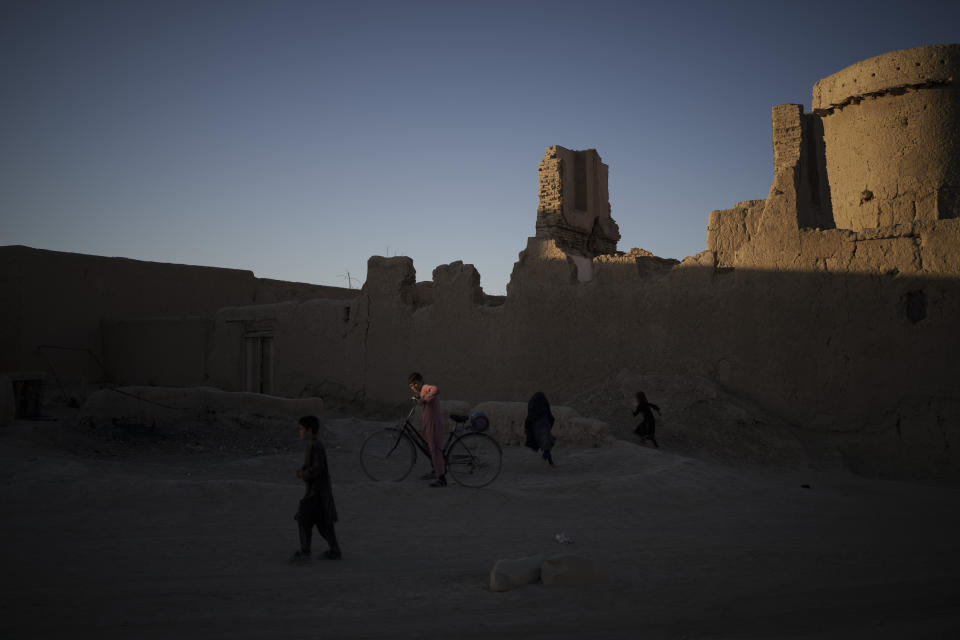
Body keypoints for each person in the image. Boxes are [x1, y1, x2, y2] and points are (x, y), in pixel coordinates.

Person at [291, 415, 342, 563]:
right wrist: (303, 470)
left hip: (316, 494)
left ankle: (306, 552)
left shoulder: (316, 446)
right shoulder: (312, 445)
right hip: (317, 493)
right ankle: (334, 550)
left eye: (301, 429)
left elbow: (318, 468)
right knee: (323, 524)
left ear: (310, 430)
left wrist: (304, 474)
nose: (299, 432)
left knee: (304, 519)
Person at [407, 372, 447, 487]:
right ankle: (436, 469)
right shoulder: (420, 392)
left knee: (434, 450)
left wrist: (424, 399)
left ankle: (442, 479)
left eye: (415, 383)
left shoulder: (425, 387)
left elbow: (436, 389)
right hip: (427, 423)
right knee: (426, 447)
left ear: (421, 381)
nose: (414, 387)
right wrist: (418, 397)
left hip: (433, 423)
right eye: (411, 386)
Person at [524, 391, 556, 466]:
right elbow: (550, 415)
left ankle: (548, 460)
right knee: (547, 443)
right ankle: (549, 461)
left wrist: (526, 427)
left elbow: (529, 417)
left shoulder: (533, 407)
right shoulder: (544, 408)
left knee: (546, 444)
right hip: (544, 425)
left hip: (537, 427)